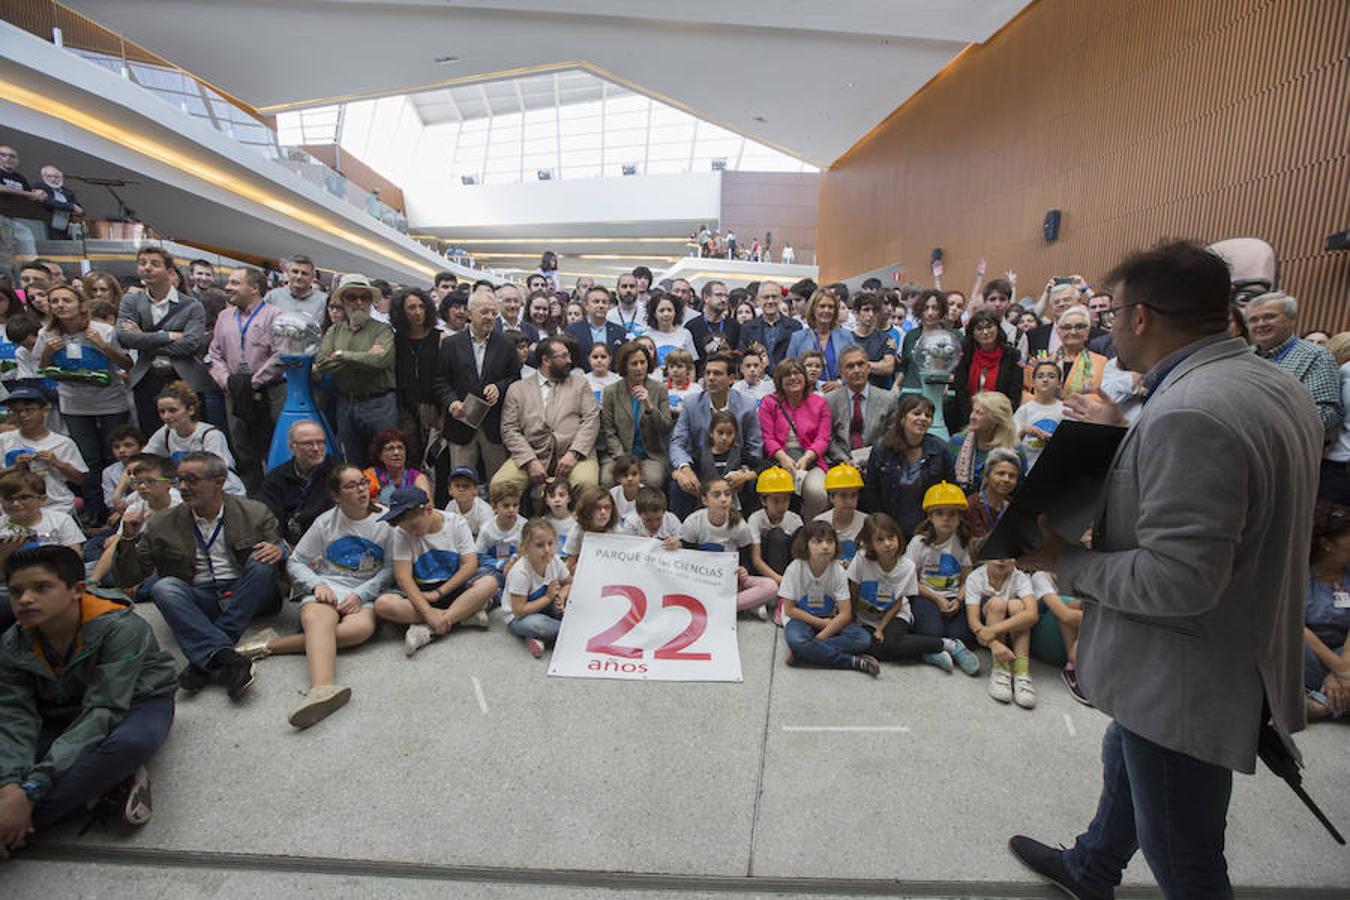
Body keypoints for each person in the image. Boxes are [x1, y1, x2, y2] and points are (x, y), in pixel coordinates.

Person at [1009, 241, 1323, 899]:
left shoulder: (1189, 412)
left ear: (1143, 317)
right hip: (1221, 652)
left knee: (1183, 854)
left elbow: (1179, 580)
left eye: (1112, 312)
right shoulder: (1270, 383)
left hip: (1186, 670)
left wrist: (1067, 562)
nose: (1106, 327)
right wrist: (1126, 440)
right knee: (1124, 756)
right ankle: (1092, 868)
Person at [0, 546, 175, 848]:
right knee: (14, 750)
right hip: (59, 712)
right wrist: (10, 784)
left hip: (134, 704)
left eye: (41, 587)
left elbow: (104, 709)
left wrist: (30, 788)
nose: (26, 599)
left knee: (127, 744)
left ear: (77, 590)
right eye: (16, 591)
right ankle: (105, 784)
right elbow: (16, 716)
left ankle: (17, 822)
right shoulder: (13, 642)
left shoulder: (121, 627)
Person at [113, 452, 283, 699]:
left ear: (219, 482)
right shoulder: (162, 523)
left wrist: (279, 549)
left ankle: (204, 656)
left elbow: (283, 547)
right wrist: (128, 538)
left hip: (248, 593)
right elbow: (128, 579)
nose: (183, 487)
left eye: (192, 480)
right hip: (202, 597)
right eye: (180, 480)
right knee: (163, 587)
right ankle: (225, 656)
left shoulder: (254, 511)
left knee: (262, 562)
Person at [235, 464, 392, 729]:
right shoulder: (326, 522)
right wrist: (317, 584)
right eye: (351, 486)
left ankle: (270, 645)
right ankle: (322, 689)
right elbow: (296, 561)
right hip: (328, 585)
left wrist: (361, 594)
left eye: (363, 482)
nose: (361, 490)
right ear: (336, 495)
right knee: (319, 621)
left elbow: (390, 568)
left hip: (363, 591)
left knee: (360, 631)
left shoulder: (386, 521)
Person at [36, 285, 132, 522]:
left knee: (114, 456)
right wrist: (47, 353)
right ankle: (94, 510)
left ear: (81, 304)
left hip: (111, 403)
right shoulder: (45, 335)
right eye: (55, 301)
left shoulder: (104, 331)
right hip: (74, 405)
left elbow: (128, 364)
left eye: (66, 300)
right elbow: (42, 369)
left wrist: (103, 346)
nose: (60, 305)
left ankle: (117, 508)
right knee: (88, 459)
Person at [848, 513, 979, 673]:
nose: (888, 544)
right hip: (865, 617)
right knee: (865, 645)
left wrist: (881, 628)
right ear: (870, 544)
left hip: (896, 613)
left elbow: (898, 602)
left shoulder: (907, 566)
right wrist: (853, 619)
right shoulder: (861, 560)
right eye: (880, 540)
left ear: (899, 537)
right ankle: (924, 653)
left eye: (891, 537)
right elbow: (853, 592)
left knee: (891, 643)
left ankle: (949, 645)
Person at [373, 487, 494, 657]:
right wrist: (428, 612)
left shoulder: (456, 523)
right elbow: (403, 577)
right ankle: (462, 615)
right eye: (406, 528)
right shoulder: (403, 533)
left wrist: (439, 593)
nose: (412, 533)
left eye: (414, 526)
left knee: (489, 582)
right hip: (422, 593)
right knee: (382, 604)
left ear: (428, 509)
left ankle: (428, 629)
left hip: (454, 588)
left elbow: (470, 565)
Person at [117, 247, 213, 436]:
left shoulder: (191, 306)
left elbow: (191, 344)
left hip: (183, 378)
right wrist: (167, 336)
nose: (147, 268)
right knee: (152, 435)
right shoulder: (131, 301)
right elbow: (125, 338)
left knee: (191, 435)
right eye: (142, 263)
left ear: (170, 272)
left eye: (154, 264)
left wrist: (143, 339)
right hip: (147, 378)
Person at [493, 336, 601, 497]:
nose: (570, 360)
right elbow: (509, 429)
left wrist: (574, 453)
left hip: (575, 454)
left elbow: (591, 420)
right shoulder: (517, 389)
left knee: (586, 485)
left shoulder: (580, 384)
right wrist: (530, 461)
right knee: (499, 485)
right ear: (546, 360)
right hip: (532, 454)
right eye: (564, 356)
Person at [432, 286, 521, 481]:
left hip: (494, 424)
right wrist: (452, 402)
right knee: (461, 479)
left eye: (493, 313)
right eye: (484, 312)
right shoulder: (451, 344)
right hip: (461, 422)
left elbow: (515, 379)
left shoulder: (506, 344)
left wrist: (499, 387)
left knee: (499, 481)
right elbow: (440, 380)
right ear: (470, 314)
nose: (489, 317)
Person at [208, 266, 285, 491]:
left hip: (268, 392)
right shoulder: (224, 317)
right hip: (234, 392)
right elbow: (214, 353)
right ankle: (251, 493)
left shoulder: (274, 315)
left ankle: (275, 494)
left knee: (270, 445)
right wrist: (227, 381)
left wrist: (253, 382)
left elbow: (281, 354)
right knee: (242, 446)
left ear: (254, 288)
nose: (228, 287)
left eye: (234, 283)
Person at [314, 275, 397, 467]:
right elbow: (323, 362)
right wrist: (364, 357)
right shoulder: (334, 331)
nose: (359, 303)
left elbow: (380, 360)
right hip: (346, 403)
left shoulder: (383, 330)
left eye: (365, 298)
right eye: (352, 297)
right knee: (352, 462)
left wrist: (342, 354)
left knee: (387, 462)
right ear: (343, 301)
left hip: (379, 404)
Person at [779, 521, 880, 675]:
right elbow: (790, 609)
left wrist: (819, 638)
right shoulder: (795, 568)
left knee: (863, 639)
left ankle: (806, 651)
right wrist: (821, 623)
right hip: (801, 619)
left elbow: (845, 614)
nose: (825, 546)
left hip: (831, 620)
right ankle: (853, 662)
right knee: (797, 639)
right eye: (818, 541)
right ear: (806, 544)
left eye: (830, 541)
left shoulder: (838, 570)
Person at [1246, 292, 1342, 443]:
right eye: (1253, 320)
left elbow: (1326, 413)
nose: (1260, 324)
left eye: (1270, 317)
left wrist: (1269, 426)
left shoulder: (1315, 356)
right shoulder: (1245, 356)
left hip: (1284, 448)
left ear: (1291, 319)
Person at [0, 469, 84, 631]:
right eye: (8, 499)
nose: (16, 504)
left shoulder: (61, 520)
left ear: (42, 499)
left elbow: (75, 558)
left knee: (92, 569)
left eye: (24, 497)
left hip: (57, 577)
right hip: (9, 583)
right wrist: (4, 553)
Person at [859, 395, 954, 536]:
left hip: (927, 527)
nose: (922, 418)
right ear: (902, 418)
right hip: (889, 526)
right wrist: (881, 524)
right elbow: (872, 489)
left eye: (928, 415)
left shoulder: (940, 449)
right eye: (916, 413)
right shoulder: (882, 447)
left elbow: (951, 486)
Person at [144, 380, 246, 496]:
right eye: (162, 412)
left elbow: (215, 472)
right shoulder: (166, 432)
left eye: (173, 410)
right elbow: (142, 460)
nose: (166, 416)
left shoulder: (210, 434)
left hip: (225, 493)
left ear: (190, 410)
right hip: (192, 493)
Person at [759, 358, 832, 520]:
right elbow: (767, 437)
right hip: (778, 461)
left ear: (805, 377)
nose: (793, 377)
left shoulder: (819, 403)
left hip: (812, 460)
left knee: (817, 492)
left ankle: (811, 530)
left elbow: (823, 438)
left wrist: (807, 458)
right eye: (787, 375)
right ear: (779, 381)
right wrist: (783, 459)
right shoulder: (769, 403)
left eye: (797, 372)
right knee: (776, 492)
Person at [906, 481, 976, 647]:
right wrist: (937, 599)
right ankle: (939, 647)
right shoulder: (919, 543)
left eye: (952, 514)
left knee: (962, 636)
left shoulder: (963, 541)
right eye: (939, 513)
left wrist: (958, 600)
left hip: (953, 596)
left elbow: (968, 578)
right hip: (927, 595)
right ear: (930, 516)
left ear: (959, 517)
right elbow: (910, 581)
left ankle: (945, 646)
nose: (946, 518)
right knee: (931, 632)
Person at [0, 387, 87, 517]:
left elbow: (80, 480)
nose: (23, 415)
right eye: (17, 411)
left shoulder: (63, 442)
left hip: (57, 506)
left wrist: (57, 463)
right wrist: (15, 468)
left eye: (28, 410)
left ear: (45, 411)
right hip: (13, 507)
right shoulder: (4, 439)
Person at [599, 342, 673, 488]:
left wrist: (649, 406)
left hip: (649, 455)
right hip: (618, 454)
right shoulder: (610, 392)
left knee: (653, 479)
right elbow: (609, 431)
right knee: (607, 480)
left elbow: (666, 428)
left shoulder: (659, 389)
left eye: (642, 362)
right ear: (624, 366)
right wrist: (622, 458)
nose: (639, 368)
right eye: (634, 363)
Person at [503, 517, 571, 659]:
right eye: (540, 545)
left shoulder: (555, 561)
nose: (547, 550)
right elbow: (519, 611)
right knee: (539, 625)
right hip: (519, 618)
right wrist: (548, 598)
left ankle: (539, 638)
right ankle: (570, 632)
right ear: (526, 547)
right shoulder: (521, 572)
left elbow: (568, 582)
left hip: (546, 606)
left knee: (573, 606)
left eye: (550, 544)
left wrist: (561, 597)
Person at [949, 308, 1021, 433]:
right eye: (979, 328)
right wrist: (973, 418)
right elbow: (960, 392)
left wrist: (997, 418)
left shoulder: (1011, 355)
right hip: (968, 419)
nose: (985, 332)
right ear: (973, 333)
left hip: (1000, 421)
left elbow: (1014, 394)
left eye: (989, 326)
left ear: (998, 329)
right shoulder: (966, 355)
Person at [824, 346, 894, 472]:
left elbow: (890, 438)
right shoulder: (830, 400)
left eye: (860, 364)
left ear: (868, 368)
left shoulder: (888, 400)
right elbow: (829, 438)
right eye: (850, 366)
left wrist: (864, 460)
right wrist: (845, 460)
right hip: (839, 465)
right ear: (842, 372)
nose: (856, 370)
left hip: (877, 464)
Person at [390, 288, 443, 445]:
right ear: (401, 311)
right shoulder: (395, 340)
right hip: (404, 406)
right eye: (412, 308)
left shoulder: (440, 338)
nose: (418, 312)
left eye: (422, 306)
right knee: (410, 450)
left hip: (433, 405)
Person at [1023, 305, 1106, 402]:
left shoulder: (1101, 363)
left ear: (1088, 332)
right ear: (1058, 332)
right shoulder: (1044, 362)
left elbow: (1105, 397)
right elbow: (1026, 392)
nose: (1073, 332)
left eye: (1079, 327)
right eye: (1067, 327)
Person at [948, 391, 1023, 493]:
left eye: (979, 413)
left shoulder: (1015, 451)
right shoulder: (956, 442)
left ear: (995, 419)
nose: (972, 417)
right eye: (973, 411)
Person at [785, 289, 855, 391]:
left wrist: (840, 383)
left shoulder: (846, 336)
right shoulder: (798, 338)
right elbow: (789, 369)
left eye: (830, 307)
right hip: (807, 396)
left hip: (838, 396)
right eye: (822, 306)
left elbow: (855, 366)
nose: (826, 310)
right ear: (813, 309)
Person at [897, 290, 963, 395]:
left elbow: (960, 368)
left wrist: (947, 381)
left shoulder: (954, 337)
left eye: (935, 308)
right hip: (912, 393)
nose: (930, 313)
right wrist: (896, 386)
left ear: (942, 311)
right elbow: (904, 366)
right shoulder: (911, 336)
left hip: (942, 394)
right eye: (926, 308)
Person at [738, 281, 802, 368]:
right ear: (758, 301)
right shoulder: (748, 328)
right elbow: (743, 358)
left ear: (781, 299)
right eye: (766, 297)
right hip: (758, 379)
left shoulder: (795, 326)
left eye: (774, 297)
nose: (770, 301)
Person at [1013, 361, 1064, 471]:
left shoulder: (1065, 410)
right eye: (1040, 376)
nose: (1045, 380)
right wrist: (1025, 431)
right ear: (1033, 382)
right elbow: (1011, 443)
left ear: (1059, 383)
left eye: (1051, 376)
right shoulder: (1024, 410)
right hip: (1026, 468)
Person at [363, 429, 431, 506]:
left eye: (400, 448)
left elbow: (428, 507)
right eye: (390, 449)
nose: (396, 453)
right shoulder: (371, 475)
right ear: (380, 456)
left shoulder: (417, 478)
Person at [964, 447, 1020, 539]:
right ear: (986, 476)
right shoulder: (971, 505)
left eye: (1012, 476)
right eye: (1001, 474)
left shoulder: (1013, 506)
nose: (1006, 479)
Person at [686, 281, 739, 372]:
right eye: (718, 295)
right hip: (702, 379)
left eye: (726, 296)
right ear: (706, 297)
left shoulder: (735, 326)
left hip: (727, 379)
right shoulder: (692, 326)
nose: (723, 300)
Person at [850, 293, 899, 390]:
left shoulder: (886, 339)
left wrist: (859, 365)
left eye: (874, 310)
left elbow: (888, 367)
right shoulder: (847, 338)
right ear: (856, 313)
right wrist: (876, 365)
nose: (871, 314)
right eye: (866, 310)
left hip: (879, 393)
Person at [263, 255, 327, 327]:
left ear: (312, 277)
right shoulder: (273, 296)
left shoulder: (324, 301)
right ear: (287, 273)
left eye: (304, 273)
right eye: (295, 272)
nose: (299, 276)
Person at [606, 273, 646, 339]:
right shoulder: (608, 317)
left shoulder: (646, 316)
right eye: (624, 286)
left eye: (632, 286)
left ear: (637, 289)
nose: (628, 290)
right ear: (617, 290)